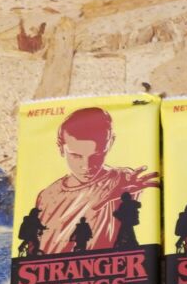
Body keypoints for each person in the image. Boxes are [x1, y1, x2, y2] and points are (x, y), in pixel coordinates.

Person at [35, 107, 158, 253]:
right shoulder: (46, 195)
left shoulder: (120, 180)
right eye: (76, 156)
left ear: (110, 143)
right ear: (61, 148)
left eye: (96, 155)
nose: (86, 166)